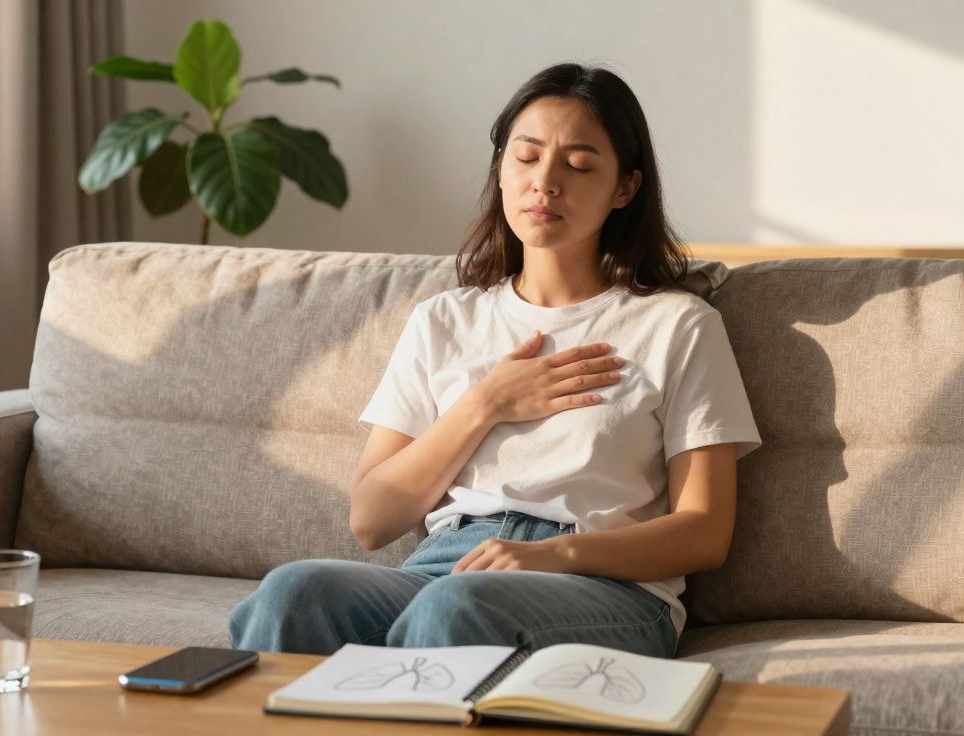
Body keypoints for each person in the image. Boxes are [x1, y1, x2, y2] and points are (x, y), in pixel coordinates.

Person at [228, 62, 761, 659]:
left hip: (602, 584)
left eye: (578, 164)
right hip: (444, 568)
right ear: (500, 169)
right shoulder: (444, 320)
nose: (545, 183)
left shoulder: (678, 325)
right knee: (294, 592)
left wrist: (550, 555)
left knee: (457, 608)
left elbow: (705, 532)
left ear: (625, 187)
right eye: (526, 157)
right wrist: (485, 403)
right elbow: (372, 519)